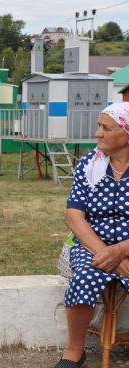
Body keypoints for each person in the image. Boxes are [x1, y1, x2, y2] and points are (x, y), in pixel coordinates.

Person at [56, 102, 129, 368]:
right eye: (99, 126)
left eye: (106, 128)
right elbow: (74, 216)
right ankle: (75, 350)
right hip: (91, 246)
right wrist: (106, 253)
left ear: (126, 134)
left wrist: (121, 251)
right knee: (85, 276)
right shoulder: (90, 163)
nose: (98, 133)